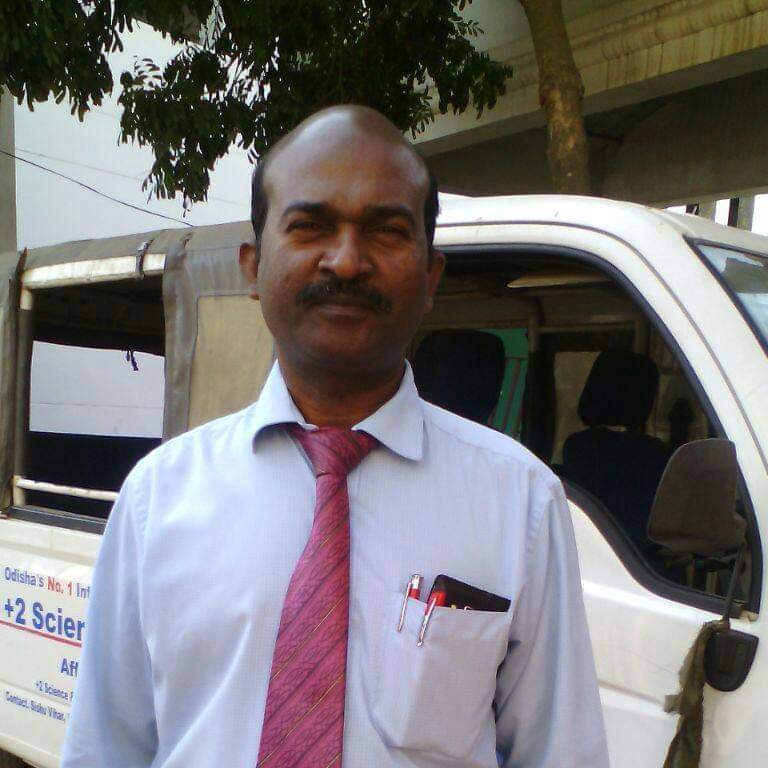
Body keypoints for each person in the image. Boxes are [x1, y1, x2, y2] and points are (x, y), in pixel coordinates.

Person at [61, 105, 609, 768]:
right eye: (310, 226)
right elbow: (106, 748)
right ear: (252, 266)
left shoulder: (521, 503)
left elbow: (561, 754)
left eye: (387, 230)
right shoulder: (159, 497)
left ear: (431, 277)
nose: (347, 262)